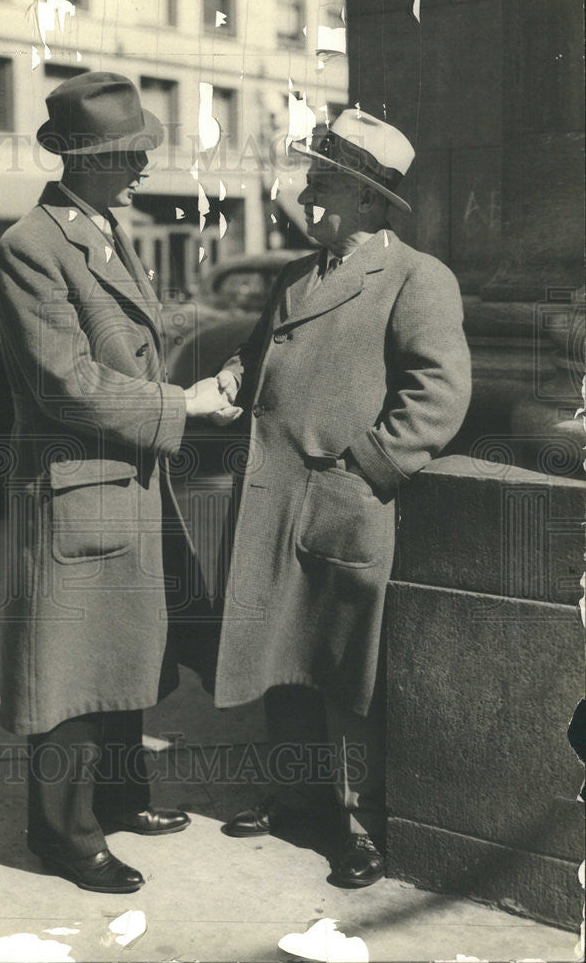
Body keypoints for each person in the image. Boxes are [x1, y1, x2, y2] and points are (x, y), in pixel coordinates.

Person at [0, 71, 239, 894]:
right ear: (85, 159)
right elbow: (68, 384)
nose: (142, 168)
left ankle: (122, 799)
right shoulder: (32, 244)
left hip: (122, 482)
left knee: (125, 649)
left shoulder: (96, 226)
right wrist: (185, 403)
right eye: (129, 154)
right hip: (77, 486)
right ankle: (63, 834)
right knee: (67, 673)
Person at [211, 109, 472, 886]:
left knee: (343, 667)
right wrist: (232, 372)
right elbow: (259, 348)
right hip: (273, 499)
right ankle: (297, 795)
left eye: (322, 185)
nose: (305, 197)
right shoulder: (299, 273)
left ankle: (360, 825)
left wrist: (367, 465)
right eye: (309, 181)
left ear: (367, 201)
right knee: (277, 657)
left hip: (340, 500)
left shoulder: (417, 278)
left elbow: (441, 392)